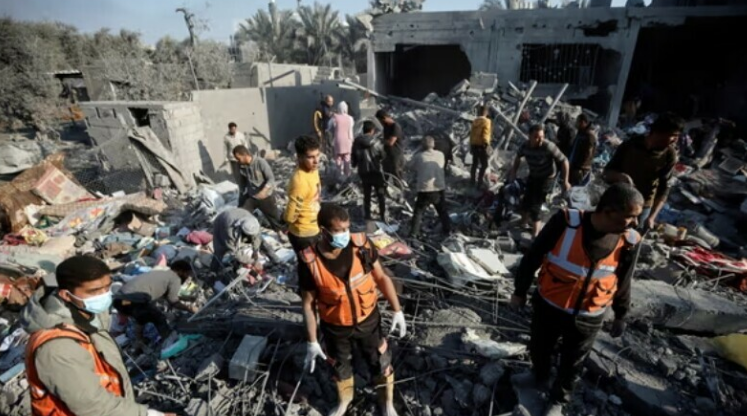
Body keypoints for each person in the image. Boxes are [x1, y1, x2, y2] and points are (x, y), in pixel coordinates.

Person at [510, 183, 643, 416]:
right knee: (540, 347)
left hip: (589, 314)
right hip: (550, 304)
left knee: (573, 362)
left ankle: (558, 400)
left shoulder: (630, 240)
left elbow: (624, 279)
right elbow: (533, 256)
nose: (635, 223)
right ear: (608, 211)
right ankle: (538, 376)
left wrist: (621, 314)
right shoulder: (566, 222)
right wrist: (519, 291)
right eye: (630, 216)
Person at [22, 255, 173, 416]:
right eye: (94, 291)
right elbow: (91, 405)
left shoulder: (89, 317)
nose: (104, 295)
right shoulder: (58, 347)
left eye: (107, 287)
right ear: (66, 295)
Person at [299, 203, 406, 416]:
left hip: (368, 320)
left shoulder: (361, 245)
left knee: (380, 360)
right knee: (340, 367)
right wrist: (312, 341)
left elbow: (381, 277)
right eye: (338, 230)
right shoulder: (310, 261)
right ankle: (344, 401)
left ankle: (387, 403)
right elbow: (308, 304)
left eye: (347, 228)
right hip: (335, 326)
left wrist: (397, 310)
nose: (345, 234)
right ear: (323, 231)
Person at [603, 112, 684, 230]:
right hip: (617, 201)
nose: (675, 140)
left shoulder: (669, 155)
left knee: (630, 238)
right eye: (673, 135)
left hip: (642, 207)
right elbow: (607, 173)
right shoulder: (631, 145)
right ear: (659, 132)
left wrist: (651, 217)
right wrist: (620, 177)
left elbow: (664, 189)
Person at [113, 260, 196, 345]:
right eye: (187, 274)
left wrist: (186, 298)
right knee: (158, 317)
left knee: (141, 316)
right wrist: (191, 309)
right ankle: (169, 342)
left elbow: (166, 295)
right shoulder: (175, 278)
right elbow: (174, 302)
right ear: (180, 271)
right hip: (132, 301)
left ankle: (139, 340)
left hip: (121, 302)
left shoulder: (160, 273)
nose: (187, 277)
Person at [508, 124, 570, 237]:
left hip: (547, 178)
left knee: (536, 205)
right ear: (529, 136)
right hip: (534, 175)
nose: (540, 139)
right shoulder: (525, 146)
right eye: (536, 137)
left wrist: (565, 181)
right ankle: (523, 222)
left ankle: (535, 234)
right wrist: (513, 172)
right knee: (526, 200)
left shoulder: (548, 146)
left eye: (542, 136)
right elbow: (517, 157)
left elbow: (564, 160)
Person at [284, 135, 322, 253]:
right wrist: (286, 221)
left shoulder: (314, 170)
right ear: (299, 157)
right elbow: (291, 215)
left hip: (316, 226)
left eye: (317, 155)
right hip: (304, 234)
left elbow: (317, 191)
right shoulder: (299, 181)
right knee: (307, 263)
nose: (316, 161)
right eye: (311, 157)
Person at [233, 145, 285, 232]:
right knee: (241, 215)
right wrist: (241, 197)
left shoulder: (260, 162)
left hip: (265, 197)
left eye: (239, 158)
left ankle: (280, 232)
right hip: (252, 196)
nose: (238, 161)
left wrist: (264, 191)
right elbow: (242, 183)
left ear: (244, 155)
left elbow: (271, 179)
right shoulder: (241, 166)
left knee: (275, 222)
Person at [408, 136, 451, 239]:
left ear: (422, 145)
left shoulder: (419, 156)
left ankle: (413, 234)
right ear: (434, 144)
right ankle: (448, 230)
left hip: (424, 189)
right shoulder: (440, 155)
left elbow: (410, 166)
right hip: (439, 188)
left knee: (418, 212)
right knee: (442, 211)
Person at [212, 208, 280, 271]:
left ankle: (275, 259)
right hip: (221, 223)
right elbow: (235, 253)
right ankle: (213, 272)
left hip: (237, 216)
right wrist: (253, 262)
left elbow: (257, 238)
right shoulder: (229, 232)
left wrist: (255, 251)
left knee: (261, 241)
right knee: (220, 249)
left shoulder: (252, 222)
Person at [352, 120, 387, 221]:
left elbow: (353, 157)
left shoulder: (357, 142)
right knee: (381, 194)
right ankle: (383, 216)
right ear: (372, 130)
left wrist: (355, 164)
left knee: (366, 194)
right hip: (376, 172)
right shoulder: (377, 142)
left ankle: (367, 216)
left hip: (363, 172)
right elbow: (383, 155)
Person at [375, 109, 405, 188]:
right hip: (387, 154)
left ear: (384, 118)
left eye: (380, 120)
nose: (381, 123)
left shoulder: (395, 127)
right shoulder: (386, 126)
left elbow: (391, 142)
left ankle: (399, 190)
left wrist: (380, 141)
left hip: (396, 155)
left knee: (396, 175)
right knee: (385, 173)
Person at [568, 114, 597, 186]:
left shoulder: (589, 135)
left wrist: (581, 168)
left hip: (580, 169)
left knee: (576, 188)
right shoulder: (581, 133)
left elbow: (588, 154)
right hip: (574, 166)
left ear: (583, 122)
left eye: (578, 121)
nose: (576, 123)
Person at [328, 101, 355, 178]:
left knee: (338, 158)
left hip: (338, 140)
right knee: (347, 158)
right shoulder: (350, 118)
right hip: (348, 140)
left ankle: (339, 175)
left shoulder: (334, 118)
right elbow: (351, 129)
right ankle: (347, 174)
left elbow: (329, 127)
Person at [470, 105, 492, 188]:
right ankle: (479, 182)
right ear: (486, 112)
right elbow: (486, 133)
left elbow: (472, 134)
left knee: (474, 164)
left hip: (474, 145)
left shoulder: (475, 121)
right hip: (482, 146)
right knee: (484, 164)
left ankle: (472, 181)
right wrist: (486, 144)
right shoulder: (487, 121)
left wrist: (471, 144)